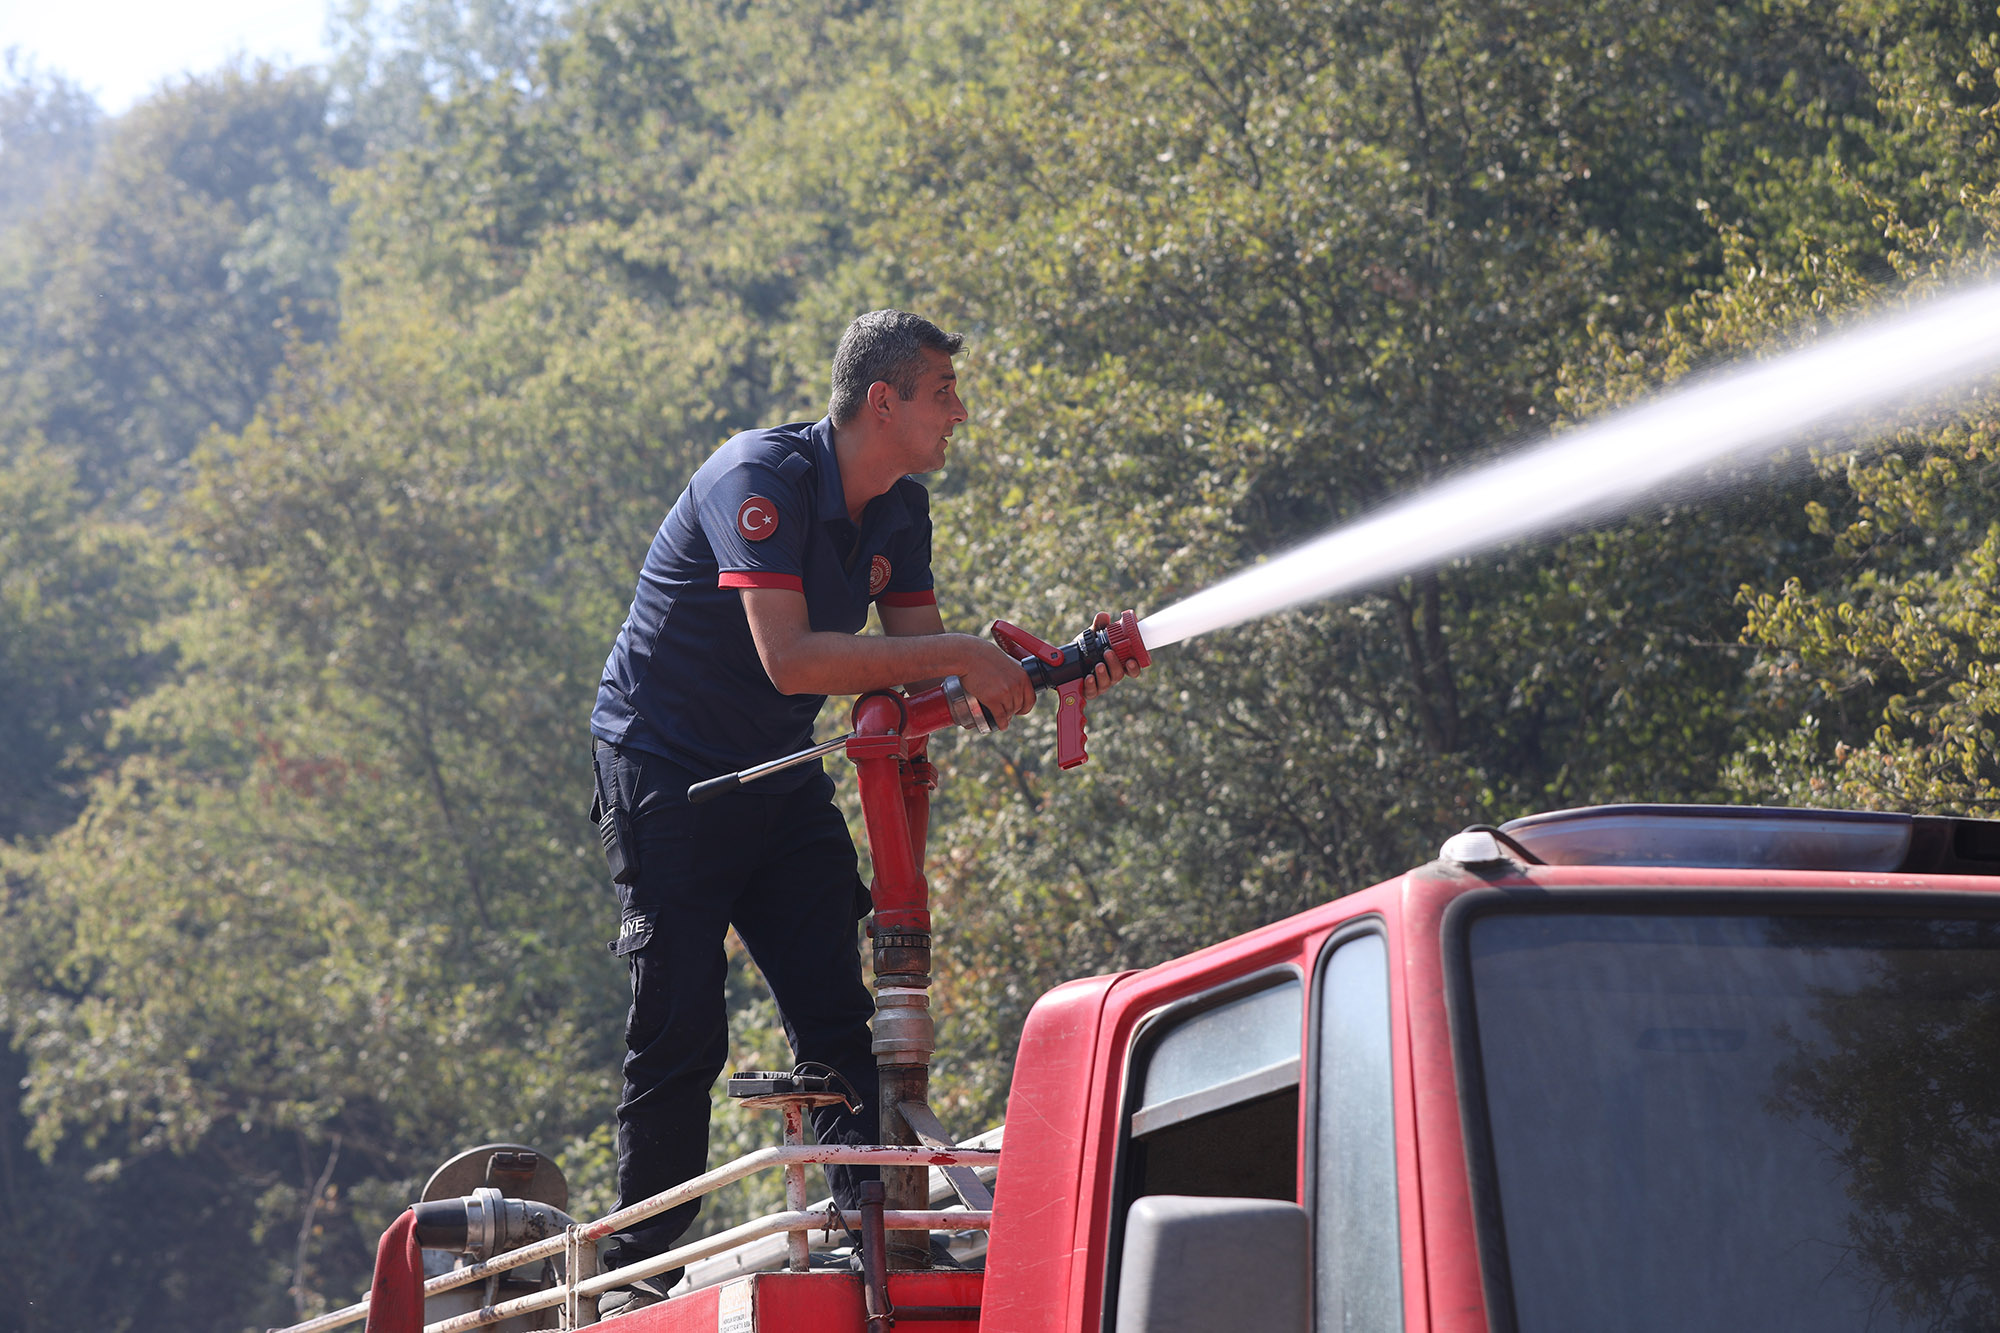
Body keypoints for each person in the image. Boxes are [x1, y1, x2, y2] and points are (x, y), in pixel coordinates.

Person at [586, 310, 1140, 1304]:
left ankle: (863, 1232)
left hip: (777, 767)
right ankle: (635, 1275)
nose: (958, 415)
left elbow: (920, 687)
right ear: (881, 401)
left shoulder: (900, 509)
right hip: (665, 774)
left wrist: (1035, 672)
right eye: (942, 394)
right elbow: (794, 660)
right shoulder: (756, 480)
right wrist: (963, 654)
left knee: (838, 1014)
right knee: (680, 1027)